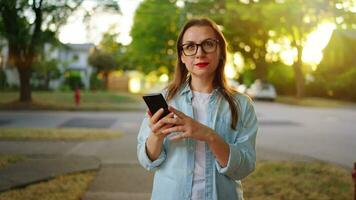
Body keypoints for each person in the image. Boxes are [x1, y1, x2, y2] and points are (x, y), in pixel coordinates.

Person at [137, 18, 258, 200]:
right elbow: (147, 161)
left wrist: (208, 135)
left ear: (220, 52)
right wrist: (156, 135)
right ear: (182, 56)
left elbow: (244, 167)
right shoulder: (166, 99)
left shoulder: (242, 104)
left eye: (208, 44)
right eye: (190, 46)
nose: (199, 53)